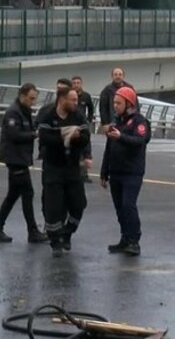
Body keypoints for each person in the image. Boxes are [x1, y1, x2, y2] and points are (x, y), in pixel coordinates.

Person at [0, 83, 48, 244]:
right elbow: (14, 135)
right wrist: (33, 134)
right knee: (27, 193)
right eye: (31, 98)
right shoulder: (13, 112)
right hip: (15, 160)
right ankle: (32, 231)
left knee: (13, 195)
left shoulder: (24, 111)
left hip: (20, 159)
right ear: (22, 96)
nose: (33, 102)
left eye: (34, 99)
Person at [37, 88, 91, 257]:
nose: (76, 103)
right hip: (53, 168)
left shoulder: (78, 116)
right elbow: (45, 138)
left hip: (73, 168)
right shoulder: (48, 116)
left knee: (79, 203)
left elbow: (86, 136)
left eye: (76, 100)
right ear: (62, 100)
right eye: (73, 100)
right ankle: (55, 241)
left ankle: (67, 232)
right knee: (54, 207)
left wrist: (77, 138)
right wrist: (64, 135)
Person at [100, 86, 150, 256]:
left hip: (132, 172)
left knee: (128, 205)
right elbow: (109, 148)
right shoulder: (116, 122)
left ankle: (134, 240)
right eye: (114, 102)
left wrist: (121, 137)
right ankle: (125, 238)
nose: (115, 106)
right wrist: (103, 172)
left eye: (118, 103)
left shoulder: (139, 121)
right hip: (116, 171)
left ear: (129, 103)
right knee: (119, 208)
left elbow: (140, 141)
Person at [72, 76, 95, 183]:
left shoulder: (86, 96)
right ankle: (74, 173)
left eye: (78, 83)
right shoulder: (70, 96)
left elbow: (91, 108)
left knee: (85, 148)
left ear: (81, 84)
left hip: (83, 125)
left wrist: (89, 120)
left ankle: (84, 174)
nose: (76, 85)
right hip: (72, 125)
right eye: (74, 83)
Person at [98, 67, 133, 132]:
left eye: (120, 74)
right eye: (115, 74)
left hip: (128, 122)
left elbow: (135, 105)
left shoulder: (129, 88)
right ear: (112, 76)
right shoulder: (107, 90)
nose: (118, 76)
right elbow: (103, 108)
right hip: (113, 123)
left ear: (123, 76)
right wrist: (105, 124)